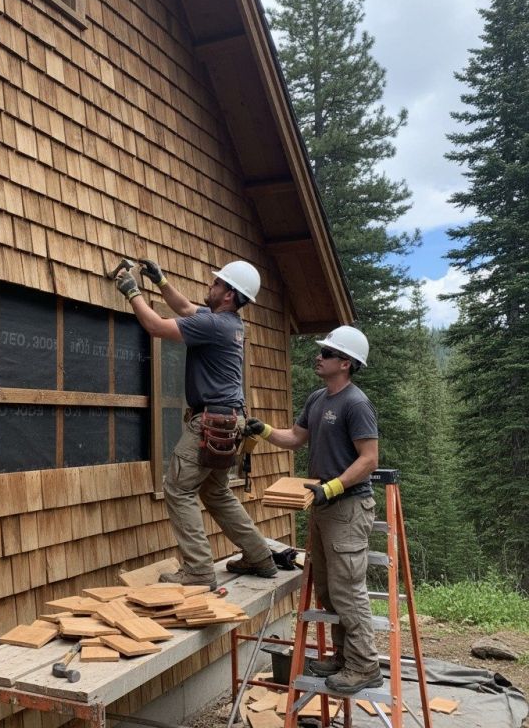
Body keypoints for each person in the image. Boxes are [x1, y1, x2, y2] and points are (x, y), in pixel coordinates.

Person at [115, 258, 278, 591]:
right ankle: (260, 556)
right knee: (216, 492)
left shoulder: (216, 326)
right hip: (229, 421)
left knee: (177, 488)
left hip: (212, 421)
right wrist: (160, 281)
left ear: (229, 295)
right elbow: (186, 307)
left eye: (216, 284)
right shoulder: (228, 323)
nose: (210, 286)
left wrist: (131, 291)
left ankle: (199, 570)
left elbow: (158, 327)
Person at [256, 325, 382, 695]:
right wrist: (261, 430)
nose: (319, 356)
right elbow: (294, 438)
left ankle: (365, 666)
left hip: (348, 506)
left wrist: (333, 486)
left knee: (348, 590)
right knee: (329, 589)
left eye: (327, 353)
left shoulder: (356, 403)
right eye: (322, 351)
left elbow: (369, 459)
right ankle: (345, 657)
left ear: (346, 363)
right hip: (325, 506)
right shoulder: (318, 399)